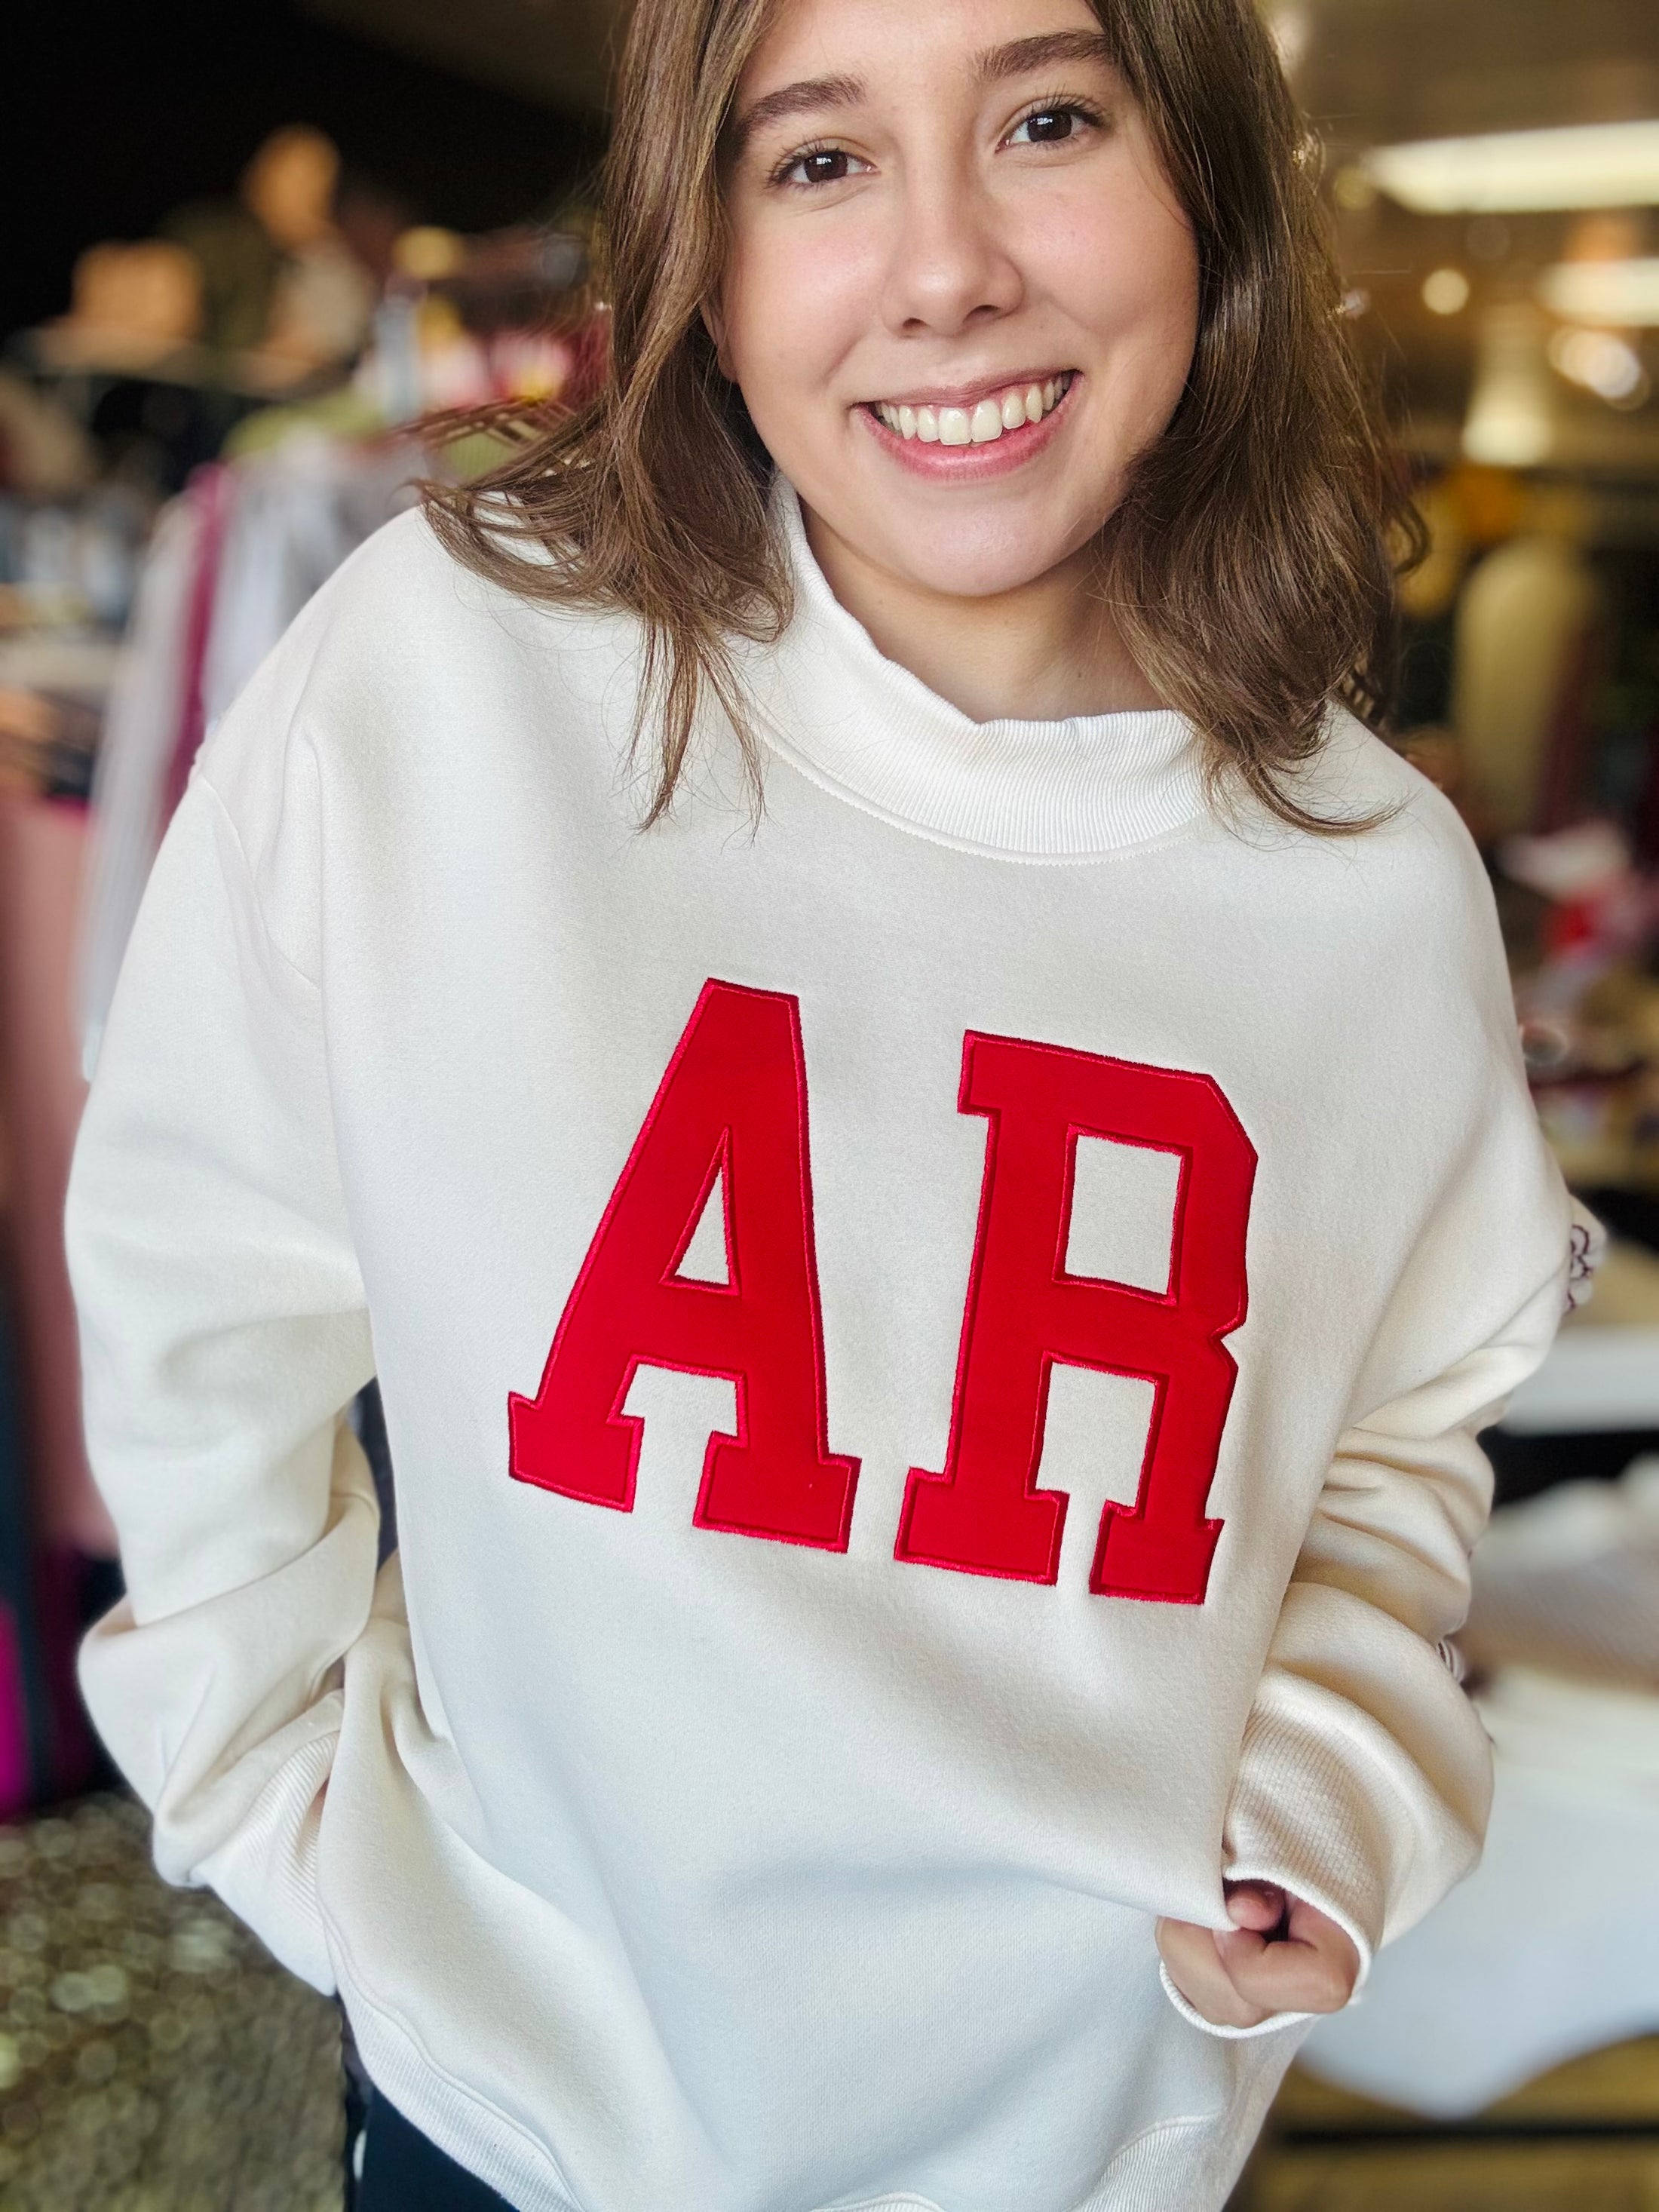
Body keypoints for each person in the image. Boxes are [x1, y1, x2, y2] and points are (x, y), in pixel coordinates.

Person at [67, 0, 1588, 2207]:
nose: (946, 265)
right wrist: (273, 1804)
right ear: (702, 238)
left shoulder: (1365, 893)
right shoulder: (453, 685)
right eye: (819, 159)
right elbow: (203, 1284)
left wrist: (1324, 1789)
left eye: (1050, 118)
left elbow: (1393, 1434)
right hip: (512, 2140)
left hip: (1091, 2154)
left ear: (1215, 189)